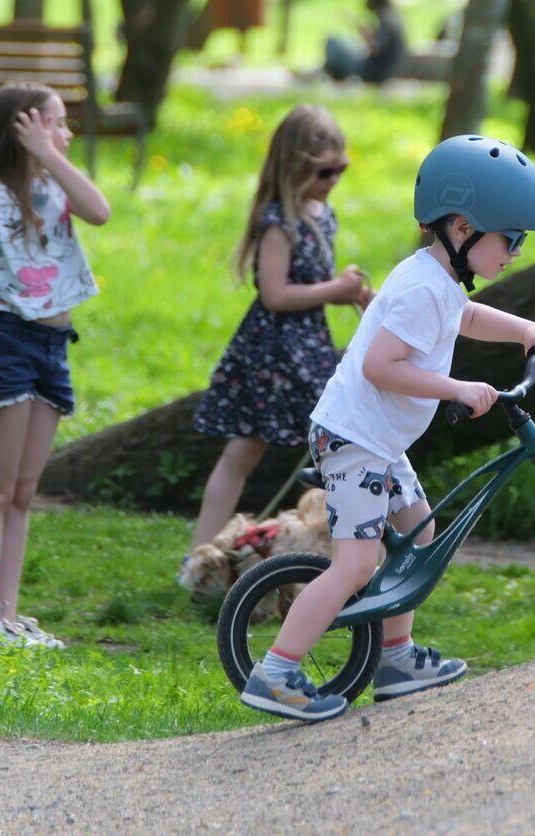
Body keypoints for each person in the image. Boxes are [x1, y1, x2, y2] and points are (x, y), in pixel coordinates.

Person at [238, 135, 535, 722]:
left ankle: (396, 659)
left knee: (418, 530)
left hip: (379, 443)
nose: (516, 253)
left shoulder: (438, 282)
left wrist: (524, 330)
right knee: (356, 564)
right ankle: (277, 672)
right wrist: (456, 388)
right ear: (463, 229)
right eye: (511, 239)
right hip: (355, 442)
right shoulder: (419, 289)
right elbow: (379, 367)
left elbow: (465, 316)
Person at [0, 81, 112, 647]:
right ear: (23, 127)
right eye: (57, 123)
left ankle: (9, 613)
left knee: (24, 491)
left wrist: (48, 154)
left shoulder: (56, 188)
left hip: (53, 347)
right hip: (8, 344)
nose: (66, 134)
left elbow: (101, 212)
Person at [184, 105, 369, 567]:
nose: (333, 180)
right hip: (272, 352)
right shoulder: (278, 222)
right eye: (325, 171)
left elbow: (312, 283)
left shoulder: (321, 213)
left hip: (307, 345)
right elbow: (275, 294)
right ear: (294, 167)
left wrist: (353, 295)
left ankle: (338, 548)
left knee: (334, 443)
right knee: (245, 451)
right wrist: (335, 290)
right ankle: (201, 557)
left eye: (341, 169)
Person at [324, 0, 407, 84]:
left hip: (373, 71)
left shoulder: (387, 21)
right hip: (386, 70)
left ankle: (333, 74)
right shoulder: (393, 16)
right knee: (348, 43)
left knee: (332, 42)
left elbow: (375, 48)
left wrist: (360, 27)